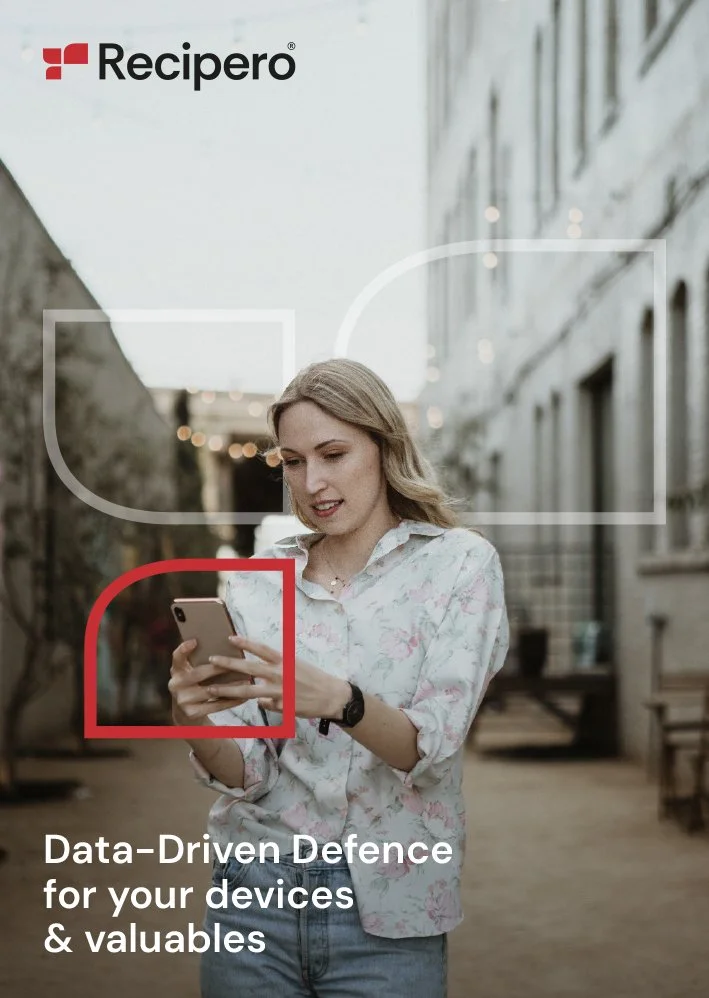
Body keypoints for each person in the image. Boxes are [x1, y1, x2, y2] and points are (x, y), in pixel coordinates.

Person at [169, 359, 509, 998]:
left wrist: (341, 702)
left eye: (333, 453)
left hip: (391, 905)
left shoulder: (460, 567)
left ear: (384, 446)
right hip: (252, 894)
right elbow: (249, 770)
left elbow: (429, 749)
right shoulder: (256, 580)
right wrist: (193, 722)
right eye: (293, 462)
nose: (313, 482)